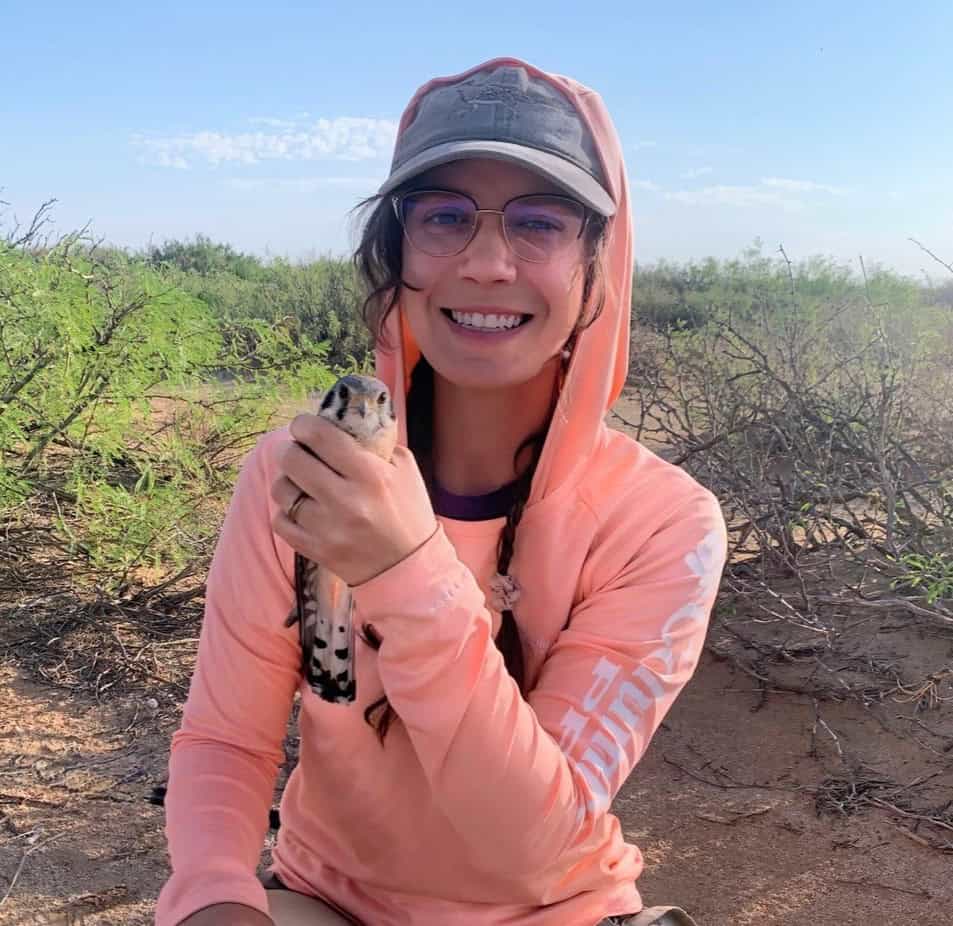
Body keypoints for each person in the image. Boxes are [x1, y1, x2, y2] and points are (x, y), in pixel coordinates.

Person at [155, 56, 727, 926]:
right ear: (394, 251)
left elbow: (529, 845)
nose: (489, 262)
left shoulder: (663, 523)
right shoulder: (298, 476)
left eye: (539, 223)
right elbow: (226, 739)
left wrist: (402, 568)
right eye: (444, 217)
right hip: (325, 898)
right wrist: (212, 897)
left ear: (597, 268)